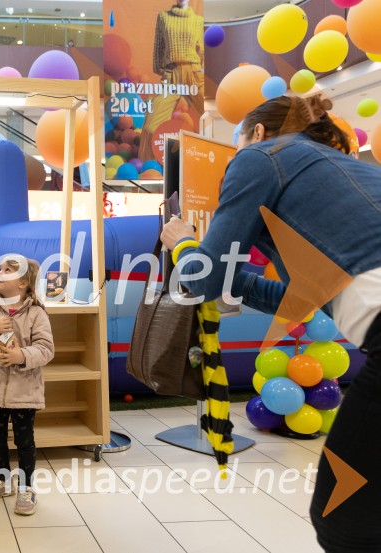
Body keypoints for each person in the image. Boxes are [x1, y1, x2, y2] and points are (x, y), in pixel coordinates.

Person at [160, 94, 381, 553]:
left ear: (256, 134)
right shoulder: (342, 169)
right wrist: (224, 275)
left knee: (343, 517)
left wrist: (183, 245)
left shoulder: (259, 157)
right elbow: (300, 303)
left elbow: (201, 283)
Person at [0, 257, 55, 515]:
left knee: (24, 440)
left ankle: (27, 486)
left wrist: (22, 356)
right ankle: (2, 481)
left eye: (7, 271)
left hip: (25, 392)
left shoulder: (36, 313)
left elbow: (46, 349)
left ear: (23, 283)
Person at [137, 0, 204, 161]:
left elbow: (201, 50)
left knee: (208, 117)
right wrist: (163, 70)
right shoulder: (163, 17)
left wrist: (200, 68)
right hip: (171, 74)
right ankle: (150, 166)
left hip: (193, 73)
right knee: (151, 125)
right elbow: (159, 47)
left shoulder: (198, 21)